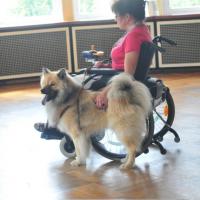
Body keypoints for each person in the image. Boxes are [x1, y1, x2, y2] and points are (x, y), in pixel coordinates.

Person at [34, 0, 151, 133]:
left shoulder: (133, 37)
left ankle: (55, 128)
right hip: (113, 73)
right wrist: (105, 65)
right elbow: (124, 64)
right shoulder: (142, 30)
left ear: (127, 17)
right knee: (72, 79)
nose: (115, 19)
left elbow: (127, 74)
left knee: (66, 85)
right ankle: (59, 123)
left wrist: (104, 92)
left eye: (117, 15)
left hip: (115, 79)